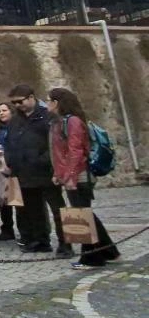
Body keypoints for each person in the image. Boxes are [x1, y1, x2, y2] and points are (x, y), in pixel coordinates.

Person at [48, 88, 121, 269]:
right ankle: (109, 251)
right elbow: (59, 153)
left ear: (57, 102)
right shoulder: (60, 122)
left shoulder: (72, 122)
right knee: (86, 214)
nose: (47, 104)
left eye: (49, 100)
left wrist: (70, 177)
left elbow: (76, 151)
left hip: (79, 176)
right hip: (71, 175)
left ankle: (92, 258)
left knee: (82, 216)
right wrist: (59, 174)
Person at [5, 84, 71, 257]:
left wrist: (42, 161)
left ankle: (66, 243)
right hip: (23, 173)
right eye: (14, 103)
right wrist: (10, 161)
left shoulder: (48, 117)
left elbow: (55, 144)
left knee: (58, 210)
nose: (17, 105)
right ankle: (40, 241)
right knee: (33, 210)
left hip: (46, 172)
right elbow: (10, 143)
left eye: (20, 101)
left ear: (31, 98)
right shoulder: (14, 121)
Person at [0, 102, 17, 241]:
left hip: (19, 169)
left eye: (4, 110)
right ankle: (7, 229)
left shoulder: (19, 127)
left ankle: (27, 231)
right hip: (3, 169)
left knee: (19, 201)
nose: (1, 113)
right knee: (4, 200)